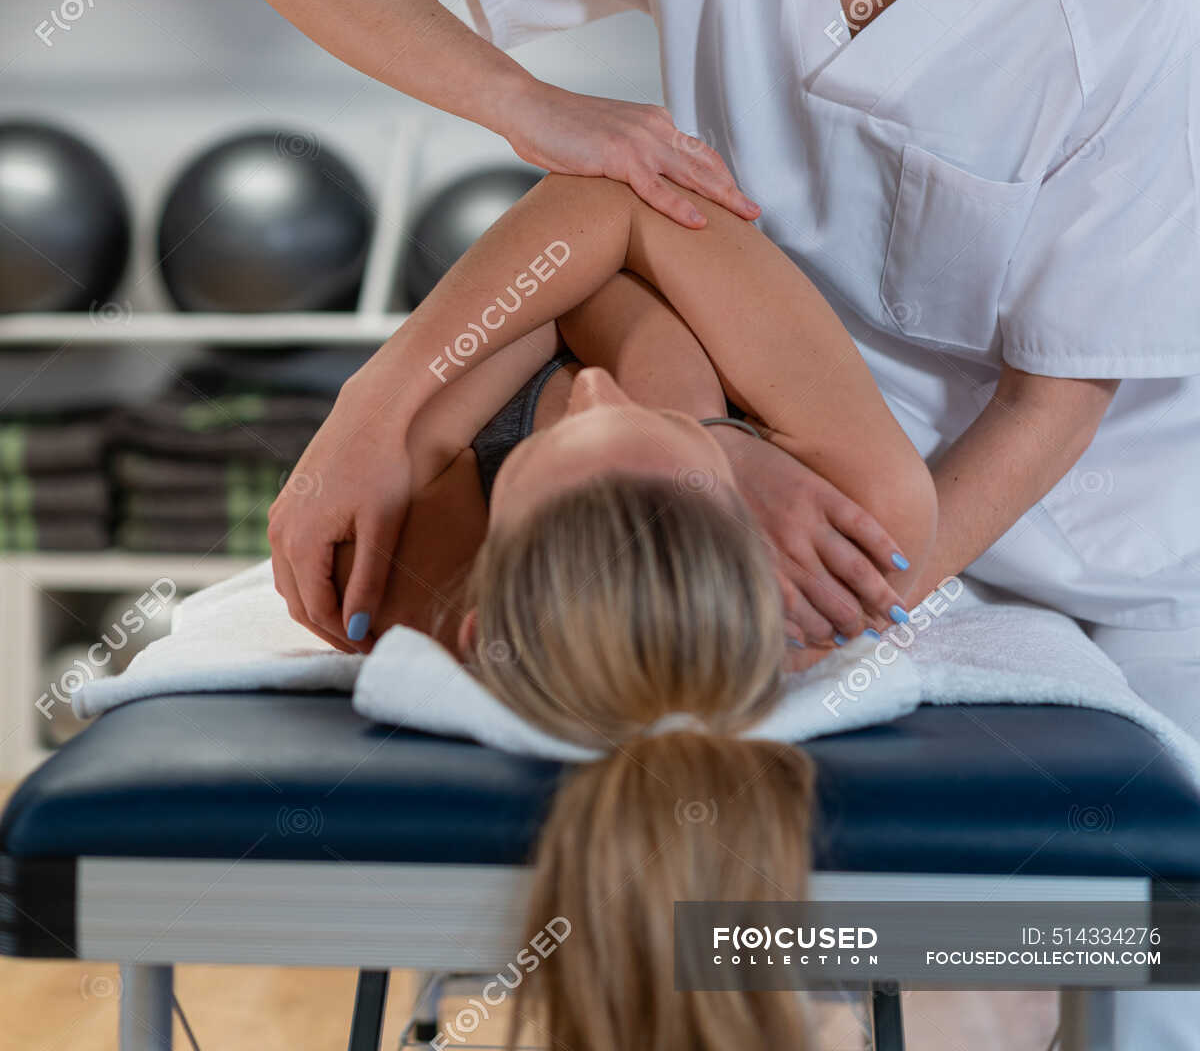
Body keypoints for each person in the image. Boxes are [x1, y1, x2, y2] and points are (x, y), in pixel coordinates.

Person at [200, 0, 1200, 1049]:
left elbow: (1058, 398)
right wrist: (536, 114)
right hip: (766, 442)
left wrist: (849, 583)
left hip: (1082, 543)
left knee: (1135, 988)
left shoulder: (1123, 5)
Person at [312, 166, 936, 1051]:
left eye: (560, 437)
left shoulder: (410, 566)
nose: (597, 387)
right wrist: (690, 413)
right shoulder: (866, 517)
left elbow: (578, 274)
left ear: (480, 629)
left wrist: (656, 389)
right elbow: (601, 229)